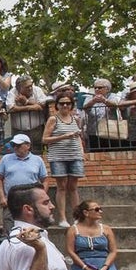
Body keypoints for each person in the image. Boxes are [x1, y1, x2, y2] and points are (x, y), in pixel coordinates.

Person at [43, 93, 84, 226]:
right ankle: (62, 218)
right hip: (58, 156)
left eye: (68, 103)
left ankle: (78, 218)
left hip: (75, 155)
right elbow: (44, 139)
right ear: (57, 105)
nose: (65, 105)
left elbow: (78, 138)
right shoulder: (53, 119)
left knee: (73, 187)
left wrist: (82, 153)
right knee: (61, 187)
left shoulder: (76, 119)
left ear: (72, 105)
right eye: (61, 103)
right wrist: (65, 136)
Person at [0, 134, 47, 233]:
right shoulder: (6, 159)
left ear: (28, 146)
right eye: (14, 145)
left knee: (33, 227)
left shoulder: (37, 160)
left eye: (18, 145)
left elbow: (45, 180)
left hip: (31, 199)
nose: (15, 148)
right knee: (9, 228)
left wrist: (41, 196)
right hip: (11, 200)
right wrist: (2, 197)